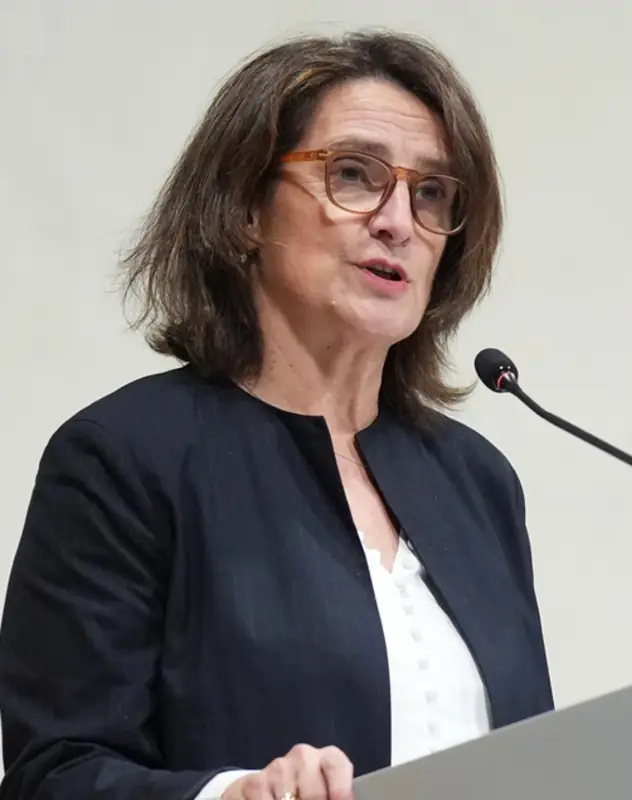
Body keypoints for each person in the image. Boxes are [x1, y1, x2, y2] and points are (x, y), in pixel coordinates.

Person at [0, 28, 554, 800]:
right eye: (354, 175)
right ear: (246, 209)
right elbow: (55, 773)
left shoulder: (477, 482)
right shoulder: (125, 460)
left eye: (431, 192)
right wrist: (231, 795)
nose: (398, 220)